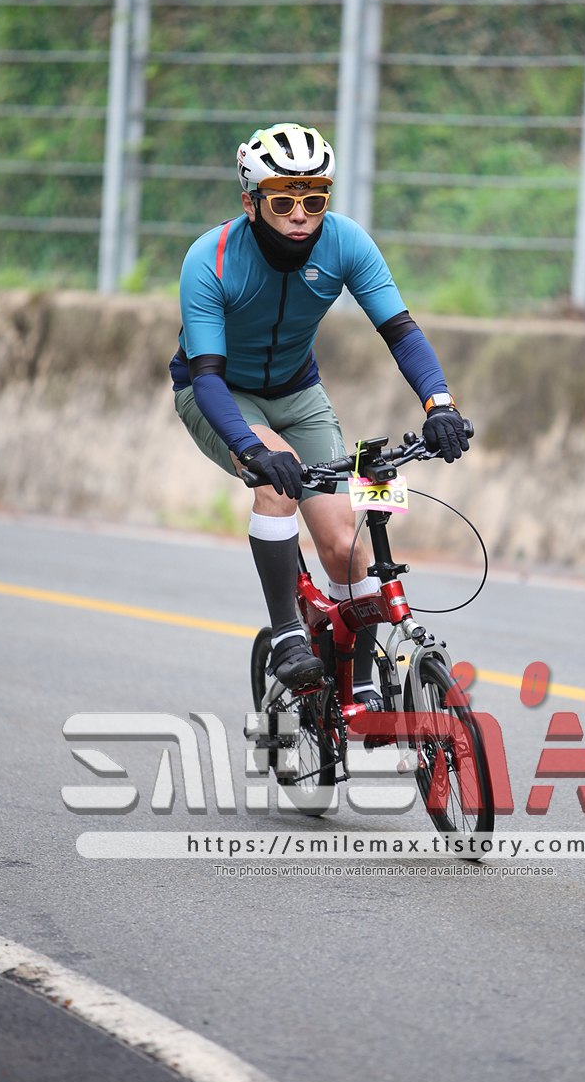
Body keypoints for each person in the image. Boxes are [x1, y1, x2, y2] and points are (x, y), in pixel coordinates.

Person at [170, 122, 470, 698]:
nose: (301, 215)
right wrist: (251, 448)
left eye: (314, 200)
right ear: (251, 204)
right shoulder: (210, 259)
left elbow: (401, 332)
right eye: (283, 201)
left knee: (343, 546)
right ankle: (287, 635)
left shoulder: (346, 242)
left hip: (299, 392)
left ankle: (358, 685)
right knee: (276, 482)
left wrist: (440, 404)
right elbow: (205, 376)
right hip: (220, 393)